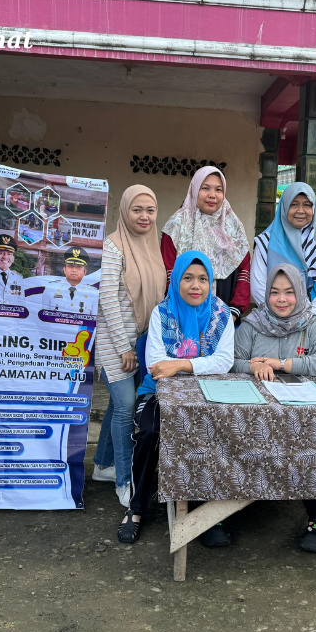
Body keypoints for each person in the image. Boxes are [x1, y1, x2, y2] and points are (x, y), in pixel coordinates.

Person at [117, 252, 234, 545]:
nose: (196, 285)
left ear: (211, 283)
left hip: (207, 393)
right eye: (188, 278)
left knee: (216, 431)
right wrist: (195, 365)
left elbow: (224, 362)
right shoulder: (163, 313)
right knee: (149, 431)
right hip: (157, 391)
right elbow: (157, 366)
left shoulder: (221, 315)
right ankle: (136, 508)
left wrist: (181, 364)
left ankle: (207, 510)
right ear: (176, 280)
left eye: (203, 279)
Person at [233, 263, 316, 552]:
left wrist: (282, 364)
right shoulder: (252, 325)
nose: (281, 299)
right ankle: (216, 516)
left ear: (300, 293)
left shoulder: (312, 324)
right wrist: (253, 367)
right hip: (253, 417)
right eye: (275, 292)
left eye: (289, 292)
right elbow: (232, 362)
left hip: (300, 417)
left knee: (313, 443)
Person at [92, 186, 166, 509]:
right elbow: (107, 300)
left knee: (116, 404)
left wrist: (145, 345)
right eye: (137, 209)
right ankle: (125, 481)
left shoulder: (153, 244)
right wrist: (125, 347)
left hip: (142, 341)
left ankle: (103, 465)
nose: (144, 216)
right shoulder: (113, 245)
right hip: (115, 341)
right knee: (125, 405)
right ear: (125, 211)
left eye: (150, 210)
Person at [161, 167, 251, 322]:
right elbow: (168, 270)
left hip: (225, 312)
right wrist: (180, 309)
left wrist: (234, 311)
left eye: (218, 190)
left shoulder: (233, 225)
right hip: (182, 312)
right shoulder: (176, 225)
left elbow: (244, 269)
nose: (212, 195)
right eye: (205, 188)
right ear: (195, 189)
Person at [251, 182, 316, 321]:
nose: (301, 210)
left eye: (307, 205)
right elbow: (258, 287)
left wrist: (308, 317)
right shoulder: (265, 243)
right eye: (294, 204)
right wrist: (281, 319)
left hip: (312, 321)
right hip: (273, 323)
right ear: (284, 206)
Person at [38, 248, 99, 314]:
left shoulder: (93, 293)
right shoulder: (51, 288)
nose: (74, 270)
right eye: (70, 266)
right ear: (64, 270)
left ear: (85, 272)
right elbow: (44, 316)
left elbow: (94, 318)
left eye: (79, 267)